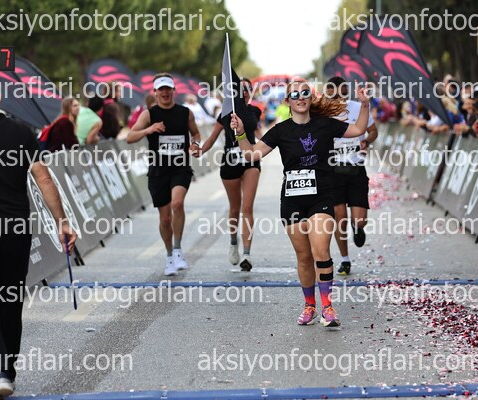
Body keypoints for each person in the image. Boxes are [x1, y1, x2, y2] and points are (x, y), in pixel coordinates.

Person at [0, 70, 76, 399]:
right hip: (15, 228)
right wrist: (62, 222)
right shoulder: (21, 131)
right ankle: (7, 372)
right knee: (10, 301)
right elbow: (44, 178)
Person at [230, 80, 371, 327]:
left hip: (322, 196)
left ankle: (327, 307)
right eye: (294, 94)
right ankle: (309, 306)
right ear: (288, 101)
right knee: (304, 257)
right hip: (293, 201)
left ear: (310, 97)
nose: (300, 97)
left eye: (305, 92)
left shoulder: (325, 124)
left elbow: (359, 128)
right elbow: (251, 154)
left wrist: (365, 105)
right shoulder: (280, 131)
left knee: (321, 251)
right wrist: (241, 133)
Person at [127, 73, 202, 276]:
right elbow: (130, 137)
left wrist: (195, 144)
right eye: (161, 89)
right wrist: (149, 130)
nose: (165, 92)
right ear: (155, 92)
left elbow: (196, 133)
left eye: (168, 88)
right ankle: (169, 256)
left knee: (177, 203)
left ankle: (177, 249)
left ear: (173, 90)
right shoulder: (148, 115)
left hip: (180, 167)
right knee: (165, 218)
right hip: (158, 171)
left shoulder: (185, 113)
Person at [201, 78, 262, 271]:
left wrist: (280, 143)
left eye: (248, 89)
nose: (244, 92)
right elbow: (212, 138)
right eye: (240, 89)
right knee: (235, 208)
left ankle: (247, 254)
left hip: (250, 161)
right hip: (230, 162)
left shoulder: (254, 111)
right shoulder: (225, 114)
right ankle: (234, 242)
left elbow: (261, 135)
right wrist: (200, 150)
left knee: (247, 207)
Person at [325, 77, 378, 275]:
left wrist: (367, 141)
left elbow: (373, 131)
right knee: (339, 218)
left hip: (356, 169)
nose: (339, 96)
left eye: (342, 91)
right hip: (333, 171)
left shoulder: (357, 107)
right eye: (334, 93)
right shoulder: (323, 112)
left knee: (360, 220)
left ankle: (358, 228)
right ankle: (345, 259)